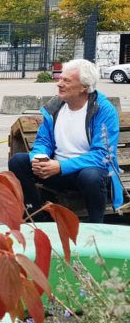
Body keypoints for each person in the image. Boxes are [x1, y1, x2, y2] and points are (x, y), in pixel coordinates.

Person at [8, 59, 123, 223]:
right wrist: (39, 158)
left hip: (86, 175)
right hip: (55, 170)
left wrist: (61, 167)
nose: (59, 84)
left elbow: (103, 155)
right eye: (61, 78)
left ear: (84, 87)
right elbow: (43, 141)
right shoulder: (55, 107)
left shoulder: (103, 110)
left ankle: (96, 226)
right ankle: (35, 217)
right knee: (18, 161)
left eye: (66, 81)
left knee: (90, 176)